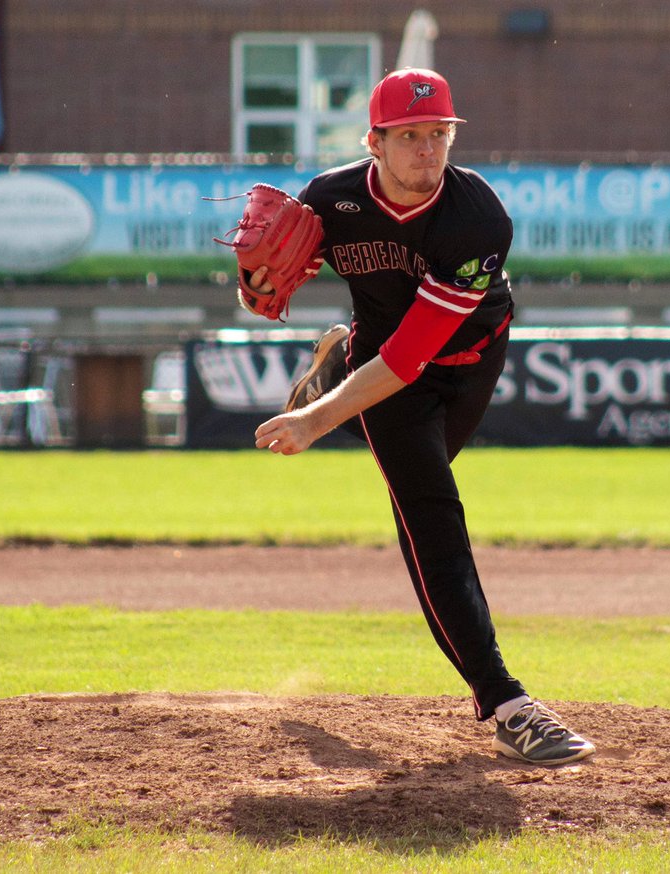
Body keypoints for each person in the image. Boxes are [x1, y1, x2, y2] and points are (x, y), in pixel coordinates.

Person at [246, 68, 594, 766]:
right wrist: (254, 279)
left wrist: (317, 417)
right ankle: (508, 705)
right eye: (409, 137)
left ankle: (341, 370)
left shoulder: (478, 218)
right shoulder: (331, 201)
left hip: (465, 366)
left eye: (439, 135)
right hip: (390, 381)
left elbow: (413, 356)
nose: (427, 151)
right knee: (432, 516)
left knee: (418, 490)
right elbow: (274, 277)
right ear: (374, 142)